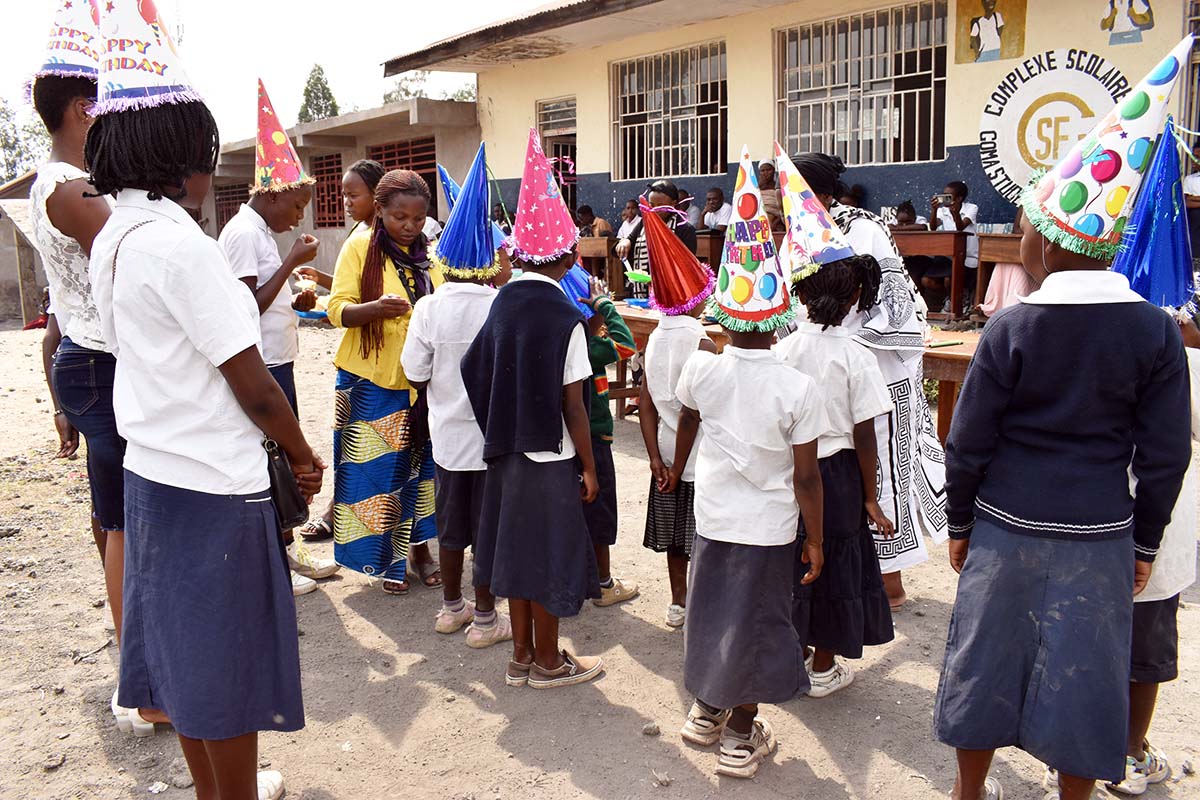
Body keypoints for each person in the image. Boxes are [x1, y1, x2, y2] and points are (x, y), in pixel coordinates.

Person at [935, 42, 1192, 800]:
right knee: (1087, 673)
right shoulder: (1154, 331)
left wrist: (958, 523)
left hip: (1007, 524)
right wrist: (1145, 539)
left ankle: (969, 792)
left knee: (986, 659)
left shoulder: (1012, 328)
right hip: (1100, 531)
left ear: (1043, 243)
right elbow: (1166, 453)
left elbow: (969, 439)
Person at [87, 4, 321, 795]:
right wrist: (301, 451)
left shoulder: (114, 235)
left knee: (186, 669)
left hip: (152, 472)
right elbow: (251, 383)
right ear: (182, 158)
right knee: (226, 668)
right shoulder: (181, 246)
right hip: (213, 483)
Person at [669, 147, 825, 778]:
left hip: (713, 516)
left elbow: (686, 419)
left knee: (711, 612)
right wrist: (816, 538)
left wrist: (677, 468)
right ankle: (739, 734)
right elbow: (808, 475)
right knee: (761, 622)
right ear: (781, 314)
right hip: (768, 527)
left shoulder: (703, 368)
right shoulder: (795, 387)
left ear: (723, 317)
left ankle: (705, 709)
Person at [25, 4, 158, 734]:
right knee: (126, 523)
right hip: (99, 363)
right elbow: (140, 255)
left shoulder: (66, 179)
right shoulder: (71, 187)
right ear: (85, 108)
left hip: (90, 361)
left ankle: (134, 663)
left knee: (118, 519)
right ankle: (137, 682)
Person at [461, 127, 603, 689]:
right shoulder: (565, 320)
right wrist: (588, 466)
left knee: (515, 557)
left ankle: (520, 656)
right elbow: (575, 403)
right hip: (549, 458)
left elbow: (474, 369)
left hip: (504, 456)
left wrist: (500, 423)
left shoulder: (500, 305)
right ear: (567, 255)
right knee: (546, 560)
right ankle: (548, 661)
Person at [792, 152, 946, 608]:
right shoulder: (800, 229)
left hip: (871, 364)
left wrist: (845, 345)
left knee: (876, 469)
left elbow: (891, 301)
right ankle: (843, 573)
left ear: (817, 192)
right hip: (822, 362)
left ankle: (889, 583)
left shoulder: (861, 227)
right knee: (829, 467)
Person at [218, 79, 338, 595]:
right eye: (296, 205)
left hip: (278, 358)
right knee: (273, 459)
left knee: (277, 460)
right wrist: (292, 262)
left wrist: (297, 294)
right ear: (271, 194)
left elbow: (267, 296)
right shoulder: (245, 234)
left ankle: (286, 552)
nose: (299, 217)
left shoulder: (260, 232)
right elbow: (244, 306)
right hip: (262, 365)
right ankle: (278, 562)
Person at [402, 142, 512, 648]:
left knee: (451, 528)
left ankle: (451, 608)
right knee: (486, 529)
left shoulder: (428, 307)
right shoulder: (499, 305)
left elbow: (413, 370)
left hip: (446, 438)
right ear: (488, 258)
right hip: (491, 442)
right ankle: (486, 618)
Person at [779, 255, 895, 697]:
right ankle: (824, 667)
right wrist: (870, 495)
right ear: (854, 300)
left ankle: (799, 652)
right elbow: (864, 433)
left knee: (799, 561)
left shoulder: (783, 349)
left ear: (801, 295)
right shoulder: (855, 355)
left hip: (794, 470)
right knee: (835, 565)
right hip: (840, 475)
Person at [326, 169, 444, 595]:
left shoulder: (432, 257)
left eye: (417, 218)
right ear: (379, 211)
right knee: (375, 474)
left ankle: (421, 553)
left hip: (420, 381)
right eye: (399, 217)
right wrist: (374, 308)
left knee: (421, 470)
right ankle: (384, 563)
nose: (409, 227)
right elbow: (336, 310)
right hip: (369, 380)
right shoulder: (359, 247)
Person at [292, 158, 387, 544]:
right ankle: (339, 511)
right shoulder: (357, 237)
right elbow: (357, 292)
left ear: (377, 195)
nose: (346, 201)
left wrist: (344, 309)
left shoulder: (393, 237)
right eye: (344, 194)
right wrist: (325, 282)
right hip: (358, 358)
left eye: (353, 194)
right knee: (350, 440)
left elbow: (378, 294)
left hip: (384, 359)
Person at [637, 196, 716, 628]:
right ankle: (702, 603)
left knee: (673, 537)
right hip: (695, 456)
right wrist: (680, 462)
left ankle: (678, 602)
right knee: (699, 531)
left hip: (664, 452)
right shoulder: (701, 341)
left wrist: (655, 459)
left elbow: (646, 405)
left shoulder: (655, 341)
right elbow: (694, 414)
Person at [575, 274, 639, 607]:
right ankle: (602, 582)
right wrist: (606, 307)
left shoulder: (564, 339)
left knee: (577, 512)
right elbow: (627, 345)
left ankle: (579, 578)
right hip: (595, 437)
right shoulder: (590, 345)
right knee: (599, 513)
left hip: (569, 440)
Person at [616, 181, 698, 299]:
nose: (654, 210)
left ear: (673, 203)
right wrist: (625, 242)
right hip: (642, 292)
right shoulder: (644, 223)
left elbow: (687, 265)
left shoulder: (684, 229)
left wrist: (658, 280)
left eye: (660, 206)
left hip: (672, 295)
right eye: (651, 205)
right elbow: (629, 240)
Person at [929, 180, 979, 309]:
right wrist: (934, 210)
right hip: (949, 256)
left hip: (968, 257)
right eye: (943, 195)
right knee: (928, 280)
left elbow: (960, 227)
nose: (945, 199)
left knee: (949, 279)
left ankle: (957, 301)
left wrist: (955, 213)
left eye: (948, 196)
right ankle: (951, 298)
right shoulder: (942, 210)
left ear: (959, 198)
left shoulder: (971, 208)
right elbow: (933, 227)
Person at [980, 207, 1035, 316]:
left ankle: (1015, 307)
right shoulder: (1025, 205)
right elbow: (1016, 229)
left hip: (1037, 250)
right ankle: (1000, 305)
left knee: (1018, 267)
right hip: (1021, 245)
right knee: (1003, 261)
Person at [1184, 141, 1200, 273]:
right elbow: (1186, 201)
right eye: (1193, 156)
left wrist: (1195, 198)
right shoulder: (1190, 180)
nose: (1194, 160)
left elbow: (1190, 199)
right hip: (1195, 231)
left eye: (1198, 157)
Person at [757, 160, 785, 232]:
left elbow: (782, 209)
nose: (766, 173)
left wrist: (774, 224)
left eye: (768, 170)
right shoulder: (756, 189)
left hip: (778, 221)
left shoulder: (779, 187)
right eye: (763, 171)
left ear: (773, 171)